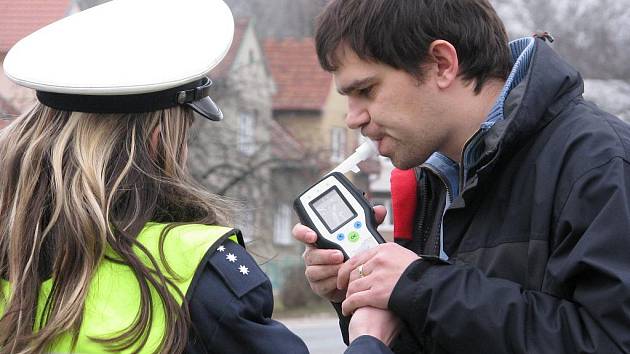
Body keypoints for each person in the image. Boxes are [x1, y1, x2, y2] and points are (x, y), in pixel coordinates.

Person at [293, 0, 630, 353]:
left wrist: (420, 287)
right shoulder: (435, 178)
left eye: (366, 90)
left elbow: (612, 341)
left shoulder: (600, 163)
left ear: (442, 64)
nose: (353, 118)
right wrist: (365, 294)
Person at [0, 0, 310, 353]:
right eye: (184, 134)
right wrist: (370, 334)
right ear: (157, 141)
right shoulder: (192, 268)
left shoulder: (12, 256)